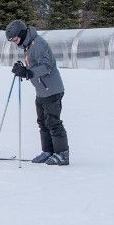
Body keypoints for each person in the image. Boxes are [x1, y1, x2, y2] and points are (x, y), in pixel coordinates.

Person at [7, 19, 69, 165]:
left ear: (21, 34)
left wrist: (28, 73)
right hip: (41, 91)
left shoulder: (38, 44)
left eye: (15, 39)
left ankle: (62, 154)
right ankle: (48, 151)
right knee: (42, 122)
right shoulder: (28, 45)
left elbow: (46, 66)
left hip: (52, 90)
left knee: (53, 122)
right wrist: (23, 69)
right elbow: (34, 65)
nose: (15, 43)